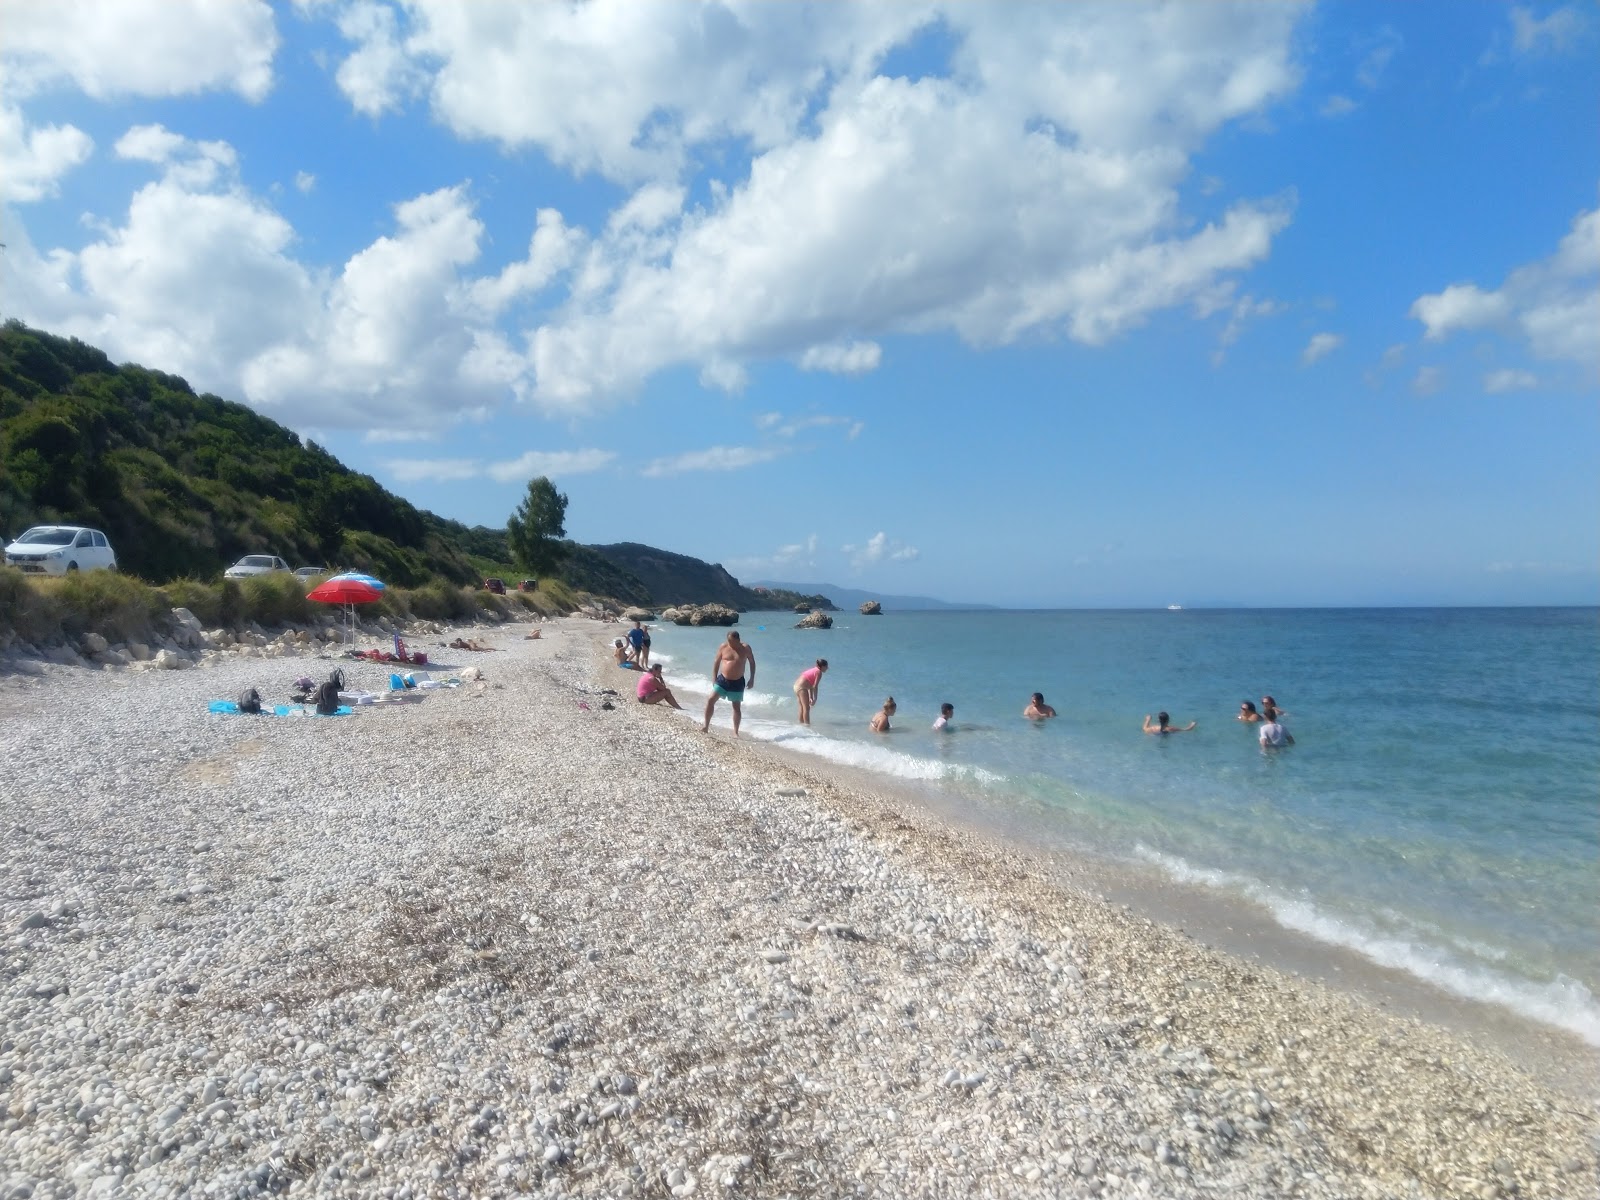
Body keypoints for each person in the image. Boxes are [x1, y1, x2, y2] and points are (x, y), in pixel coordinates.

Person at [703, 630, 756, 736]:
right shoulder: (723, 647)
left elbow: (752, 662)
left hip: (738, 681)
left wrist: (752, 679)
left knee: (736, 707)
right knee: (710, 700)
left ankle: (736, 732)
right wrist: (714, 677)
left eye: (732, 641)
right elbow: (716, 662)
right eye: (728, 641)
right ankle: (706, 726)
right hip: (723, 680)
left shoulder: (745, 648)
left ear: (738, 640)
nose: (730, 643)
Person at [793, 658, 828, 725]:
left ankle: (801, 725)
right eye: (826, 666)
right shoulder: (819, 672)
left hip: (796, 686)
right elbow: (815, 686)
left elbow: (810, 685)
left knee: (802, 707)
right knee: (807, 708)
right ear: (822, 666)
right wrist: (815, 699)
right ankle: (807, 726)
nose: (827, 668)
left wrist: (811, 697)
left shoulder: (814, 669)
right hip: (801, 688)